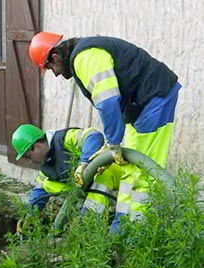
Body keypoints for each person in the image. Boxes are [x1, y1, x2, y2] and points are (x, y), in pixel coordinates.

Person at [28, 32, 181, 232]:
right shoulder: (84, 55)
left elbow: (108, 102)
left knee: (140, 174)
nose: (55, 73)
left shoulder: (84, 57)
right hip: (142, 106)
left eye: (50, 67)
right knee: (130, 171)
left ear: (55, 56)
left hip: (152, 100)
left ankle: (131, 235)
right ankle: (121, 228)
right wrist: (109, 148)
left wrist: (113, 143)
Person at [12, 124, 124, 220]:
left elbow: (93, 135)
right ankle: (80, 219)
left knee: (103, 175)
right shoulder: (46, 167)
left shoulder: (64, 139)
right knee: (48, 184)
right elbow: (39, 193)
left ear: (36, 145)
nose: (30, 162)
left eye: (28, 156)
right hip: (90, 191)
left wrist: (83, 164)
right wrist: (29, 217)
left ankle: (88, 222)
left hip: (115, 178)